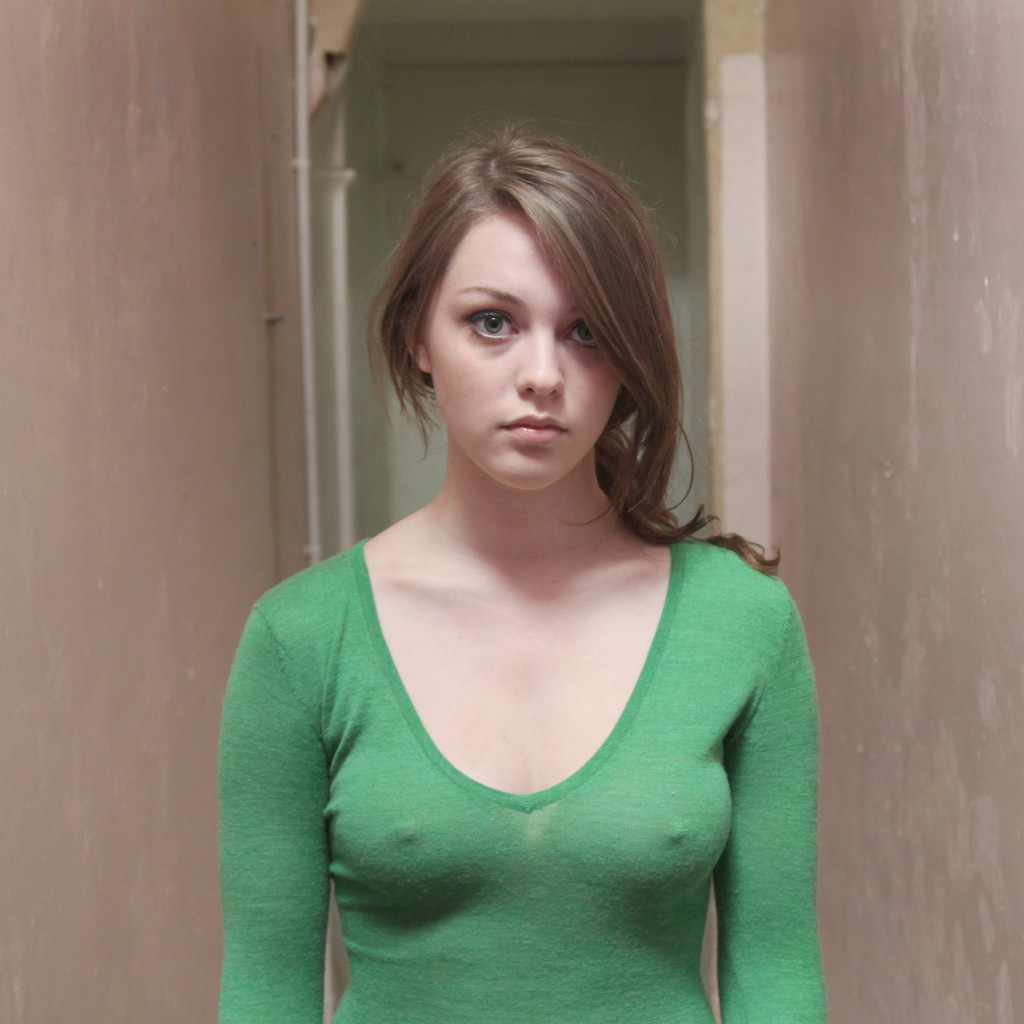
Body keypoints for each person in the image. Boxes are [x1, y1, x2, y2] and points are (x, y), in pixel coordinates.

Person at [217, 130, 826, 1024]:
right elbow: (264, 995)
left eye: (586, 331)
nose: (542, 375)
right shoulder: (299, 639)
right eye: (492, 322)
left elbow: (777, 978)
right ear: (417, 336)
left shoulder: (744, 625)